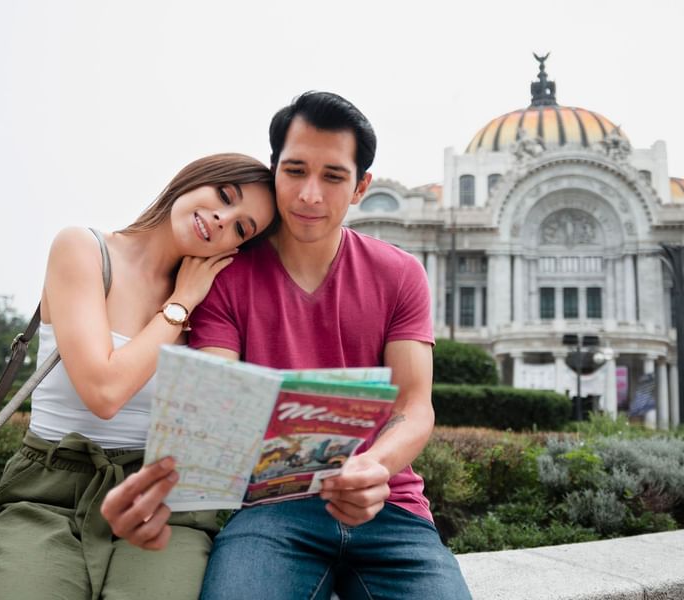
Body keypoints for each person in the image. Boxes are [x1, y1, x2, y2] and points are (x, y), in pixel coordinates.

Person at [102, 92, 471, 599]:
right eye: (295, 171)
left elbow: (414, 405)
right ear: (274, 170)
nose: (309, 195)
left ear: (361, 186)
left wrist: (374, 466)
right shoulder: (227, 275)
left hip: (388, 506)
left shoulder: (401, 273)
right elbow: (217, 398)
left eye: (333, 177)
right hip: (270, 511)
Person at [0, 153, 278, 600]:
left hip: (163, 506)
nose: (221, 218)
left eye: (241, 228)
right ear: (194, 179)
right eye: (224, 196)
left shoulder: (218, 303)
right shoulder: (84, 249)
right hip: (49, 493)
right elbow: (105, 390)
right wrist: (180, 304)